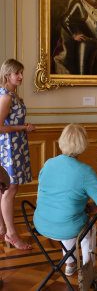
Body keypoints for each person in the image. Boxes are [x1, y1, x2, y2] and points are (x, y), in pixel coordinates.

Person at [33, 123, 97, 277]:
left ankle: (70, 264)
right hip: (66, 227)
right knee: (88, 228)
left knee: (69, 216)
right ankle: (88, 272)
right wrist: (92, 205)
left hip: (41, 223)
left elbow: (39, 196)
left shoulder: (48, 163)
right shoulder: (85, 171)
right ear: (83, 144)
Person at [0, 58, 35, 250]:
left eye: (21, 72)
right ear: (7, 75)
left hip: (16, 145)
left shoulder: (12, 94)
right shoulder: (6, 97)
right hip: (9, 147)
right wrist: (24, 127)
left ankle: (2, 229)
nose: (21, 76)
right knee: (9, 190)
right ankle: (11, 235)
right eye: (17, 73)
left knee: (4, 190)